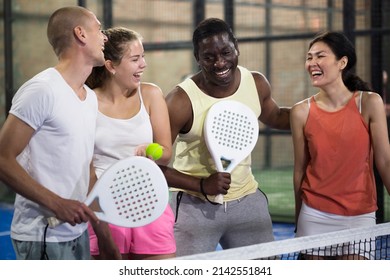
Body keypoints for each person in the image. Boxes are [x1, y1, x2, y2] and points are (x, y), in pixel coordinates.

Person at [160, 18, 290, 257]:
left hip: (247, 201)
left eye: (226, 52)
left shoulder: (256, 83)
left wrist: (321, 111)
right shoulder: (179, 101)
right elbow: (156, 168)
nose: (220, 62)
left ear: (236, 47)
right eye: (209, 57)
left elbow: (278, 116)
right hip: (194, 206)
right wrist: (202, 185)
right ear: (198, 58)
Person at [0, 6, 108, 260]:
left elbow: (87, 167)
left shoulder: (90, 98)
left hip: (77, 233)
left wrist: (102, 233)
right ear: (80, 34)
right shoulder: (42, 90)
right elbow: (3, 158)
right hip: (42, 235)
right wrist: (57, 204)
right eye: (99, 30)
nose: (105, 38)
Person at [290, 31, 390, 259]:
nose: (312, 63)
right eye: (309, 57)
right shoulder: (300, 112)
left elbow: (385, 162)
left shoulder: (370, 102)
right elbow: (299, 170)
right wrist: (300, 219)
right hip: (313, 216)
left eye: (320, 56)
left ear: (342, 62)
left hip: (360, 217)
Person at [85, 27, 176, 260]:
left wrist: (151, 151)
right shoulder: (86, 101)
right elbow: (86, 167)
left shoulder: (152, 95)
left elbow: (166, 153)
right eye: (135, 59)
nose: (143, 64)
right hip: (104, 208)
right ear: (111, 66)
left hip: (151, 202)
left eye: (143, 57)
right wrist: (96, 216)